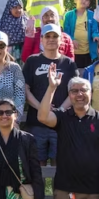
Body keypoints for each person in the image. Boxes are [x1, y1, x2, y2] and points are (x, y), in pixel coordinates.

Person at [23, 24, 77, 166]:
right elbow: (25, 90)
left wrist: (58, 111)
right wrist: (43, 107)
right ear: (41, 39)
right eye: (47, 36)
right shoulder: (32, 61)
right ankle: (38, 190)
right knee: (36, 166)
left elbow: (74, 91)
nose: (51, 39)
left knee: (59, 166)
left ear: (61, 40)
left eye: (55, 36)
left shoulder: (68, 63)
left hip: (61, 124)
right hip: (36, 123)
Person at [63, 0, 99, 68]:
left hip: (87, 52)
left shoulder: (91, 15)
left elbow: (95, 28)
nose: (83, 1)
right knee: (74, 72)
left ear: (89, 3)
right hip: (73, 51)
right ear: (75, 0)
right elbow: (66, 31)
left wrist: (95, 35)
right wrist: (72, 39)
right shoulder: (68, 15)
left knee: (87, 73)